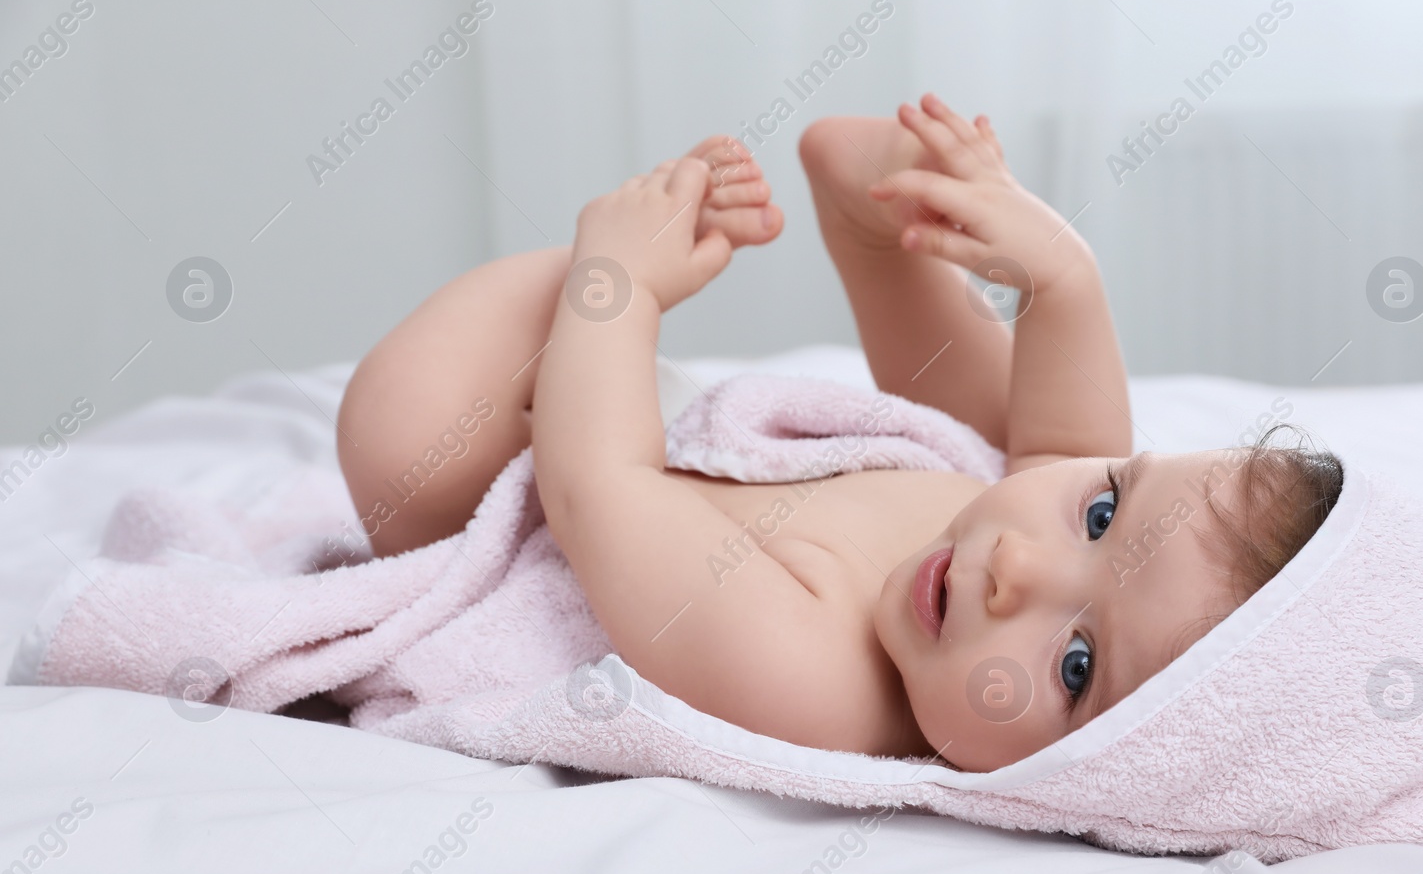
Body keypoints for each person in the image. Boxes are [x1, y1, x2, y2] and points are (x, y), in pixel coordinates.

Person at [337, 93, 1340, 773]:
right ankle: (887, 229)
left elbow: (600, 486)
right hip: (702, 466)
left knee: (403, 431)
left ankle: (587, 279)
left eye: (1077, 665)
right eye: (1106, 511)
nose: (1017, 571)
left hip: (554, 524)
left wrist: (619, 285)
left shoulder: (810, 685)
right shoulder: (1001, 545)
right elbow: (1062, 444)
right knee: (1001, 452)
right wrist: (1061, 274)